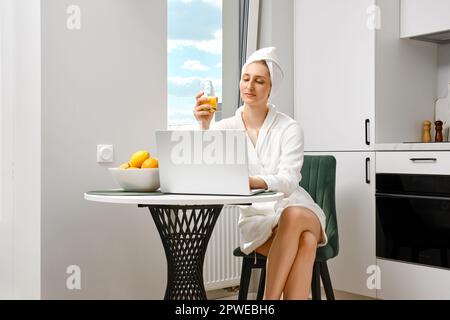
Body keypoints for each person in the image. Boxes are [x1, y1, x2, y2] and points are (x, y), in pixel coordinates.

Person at [193, 47, 327, 300]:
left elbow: (288, 181)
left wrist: (250, 182)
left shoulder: (289, 128)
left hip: (299, 209)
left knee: (293, 213)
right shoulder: (224, 128)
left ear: (271, 87)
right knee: (306, 242)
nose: (250, 86)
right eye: (246, 78)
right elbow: (206, 171)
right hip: (257, 220)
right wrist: (203, 127)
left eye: (259, 80)